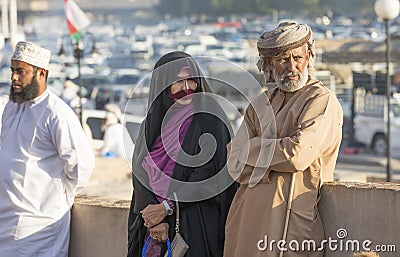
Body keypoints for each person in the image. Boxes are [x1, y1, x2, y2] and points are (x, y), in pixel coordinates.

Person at [223, 22, 343, 257]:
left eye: (296, 57)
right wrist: (281, 148)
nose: (291, 67)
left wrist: (253, 148)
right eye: (281, 60)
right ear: (270, 64)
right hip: (246, 218)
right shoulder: (261, 103)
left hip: (289, 220)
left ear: (308, 56)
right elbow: (233, 160)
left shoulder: (320, 100)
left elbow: (298, 156)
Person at [127, 51, 237, 257]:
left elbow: (209, 175)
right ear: (163, 85)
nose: (186, 88)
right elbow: (139, 173)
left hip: (193, 222)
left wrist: (167, 208)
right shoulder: (150, 126)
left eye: (191, 81)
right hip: (150, 224)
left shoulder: (210, 121)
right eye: (178, 82)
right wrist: (154, 218)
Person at [0, 41, 94, 256]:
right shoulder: (12, 107)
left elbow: (81, 168)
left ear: (41, 74)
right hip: (6, 223)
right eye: (13, 70)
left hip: (38, 228)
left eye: (21, 72)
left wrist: (57, 200)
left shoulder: (57, 113)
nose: (14, 77)